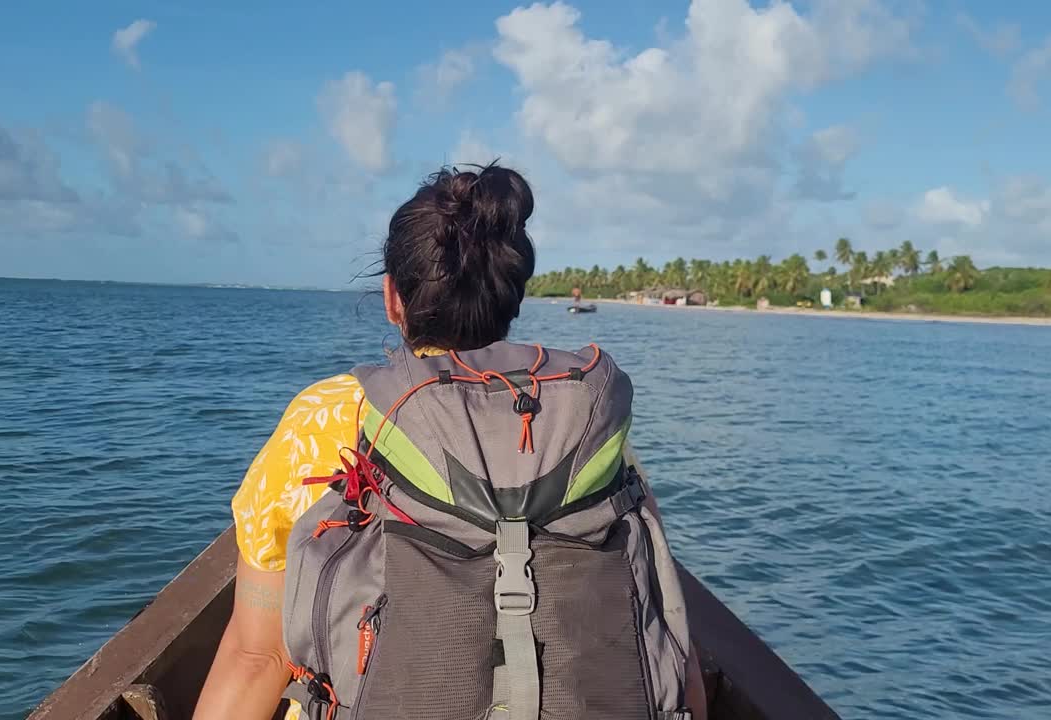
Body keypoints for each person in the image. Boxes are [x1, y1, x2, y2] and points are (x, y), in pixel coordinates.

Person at [194, 163, 707, 720]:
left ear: (394, 299)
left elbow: (256, 655)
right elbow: (670, 639)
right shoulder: (586, 426)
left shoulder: (325, 416)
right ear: (511, 302)